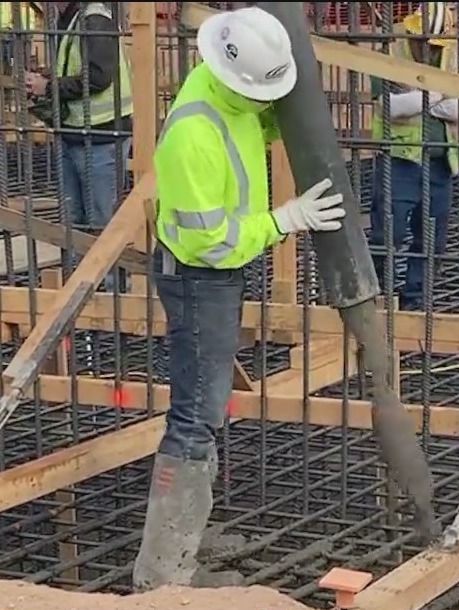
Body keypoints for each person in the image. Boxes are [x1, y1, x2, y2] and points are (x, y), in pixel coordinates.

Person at [132, 6, 345, 590]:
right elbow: (210, 242)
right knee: (196, 414)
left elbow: (256, 121)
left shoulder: (226, 96)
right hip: (200, 275)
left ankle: (188, 535)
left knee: (209, 403)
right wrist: (285, 220)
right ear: (236, 83)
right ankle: (161, 571)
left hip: (215, 272)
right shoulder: (192, 136)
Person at [369, 1, 459, 310]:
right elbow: (389, 107)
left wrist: (421, 97)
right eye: (423, 42)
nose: (429, 49)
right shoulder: (390, 50)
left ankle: (415, 302)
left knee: (431, 240)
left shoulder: (452, 53)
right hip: (399, 160)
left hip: (441, 164)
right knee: (388, 233)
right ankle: (374, 297)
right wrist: (439, 96)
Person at [23, 1, 132, 290]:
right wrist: (49, 79)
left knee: (100, 223)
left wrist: (49, 87)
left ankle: (111, 298)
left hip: (101, 137)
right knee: (74, 224)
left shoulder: (94, 19)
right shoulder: (68, 18)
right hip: (74, 133)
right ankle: (80, 294)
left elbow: (98, 76)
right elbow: (78, 68)